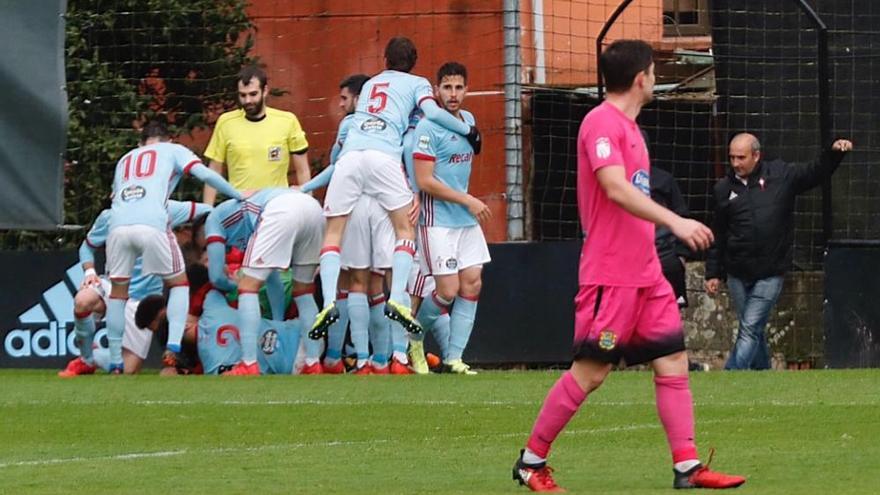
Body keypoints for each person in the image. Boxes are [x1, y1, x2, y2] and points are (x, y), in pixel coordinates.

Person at [511, 40, 745, 492]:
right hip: (611, 275)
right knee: (592, 372)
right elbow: (615, 188)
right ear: (642, 78)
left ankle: (687, 466)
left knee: (673, 359)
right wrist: (676, 220)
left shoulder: (632, 129)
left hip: (647, 274)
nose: (655, 79)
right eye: (654, 72)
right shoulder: (600, 122)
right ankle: (531, 461)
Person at [309, 37, 482, 340]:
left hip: (350, 159)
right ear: (414, 62)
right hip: (384, 158)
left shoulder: (369, 86)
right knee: (405, 231)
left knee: (333, 235)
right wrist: (467, 130)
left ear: (385, 60)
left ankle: (327, 303)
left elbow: (337, 155)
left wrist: (304, 188)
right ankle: (397, 298)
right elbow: (433, 115)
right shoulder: (418, 84)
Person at [704, 133, 852, 370]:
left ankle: (732, 373)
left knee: (749, 327)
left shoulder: (780, 175)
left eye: (741, 157)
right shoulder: (723, 189)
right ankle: (763, 373)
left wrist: (834, 154)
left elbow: (813, 172)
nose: (735, 163)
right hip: (737, 273)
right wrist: (713, 272)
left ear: (756, 155)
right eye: (731, 157)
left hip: (770, 271)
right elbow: (718, 234)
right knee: (753, 327)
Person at [103, 120, 241, 373]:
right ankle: (174, 349)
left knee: (117, 295)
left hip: (117, 226)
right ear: (168, 139)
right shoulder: (172, 149)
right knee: (179, 284)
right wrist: (238, 195)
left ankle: (114, 362)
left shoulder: (124, 159)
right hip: (153, 223)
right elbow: (207, 175)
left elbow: (116, 197)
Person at [58, 200, 211, 376]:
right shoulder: (109, 217)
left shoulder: (165, 209)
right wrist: (89, 272)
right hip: (112, 287)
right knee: (83, 301)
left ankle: (95, 356)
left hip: (143, 303)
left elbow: (208, 211)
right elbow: (86, 248)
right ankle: (85, 360)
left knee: (128, 370)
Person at [409, 62, 490, 375]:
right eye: (447, 88)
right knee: (447, 291)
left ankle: (454, 358)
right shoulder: (427, 128)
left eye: (458, 87)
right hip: (438, 221)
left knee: (473, 284)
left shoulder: (468, 120)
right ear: (436, 91)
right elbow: (425, 180)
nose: (453, 94)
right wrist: (467, 199)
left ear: (466, 89)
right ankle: (414, 335)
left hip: (465, 220)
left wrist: (467, 202)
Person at [202, 65, 311, 205]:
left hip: (276, 207)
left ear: (265, 91)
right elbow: (214, 171)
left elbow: (302, 170)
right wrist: (207, 212)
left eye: (253, 94)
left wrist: (309, 205)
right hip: (240, 208)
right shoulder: (226, 122)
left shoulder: (288, 121)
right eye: (243, 95)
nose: (247, 100)